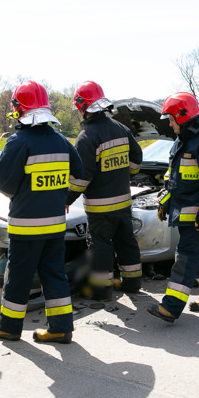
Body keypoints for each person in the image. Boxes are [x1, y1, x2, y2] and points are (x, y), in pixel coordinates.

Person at [0, 81, 83, 343]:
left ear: (19, 109)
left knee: (18, 276)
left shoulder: (18, 142)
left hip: (25, 226)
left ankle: (8, 326)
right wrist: (60, 196)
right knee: (54, 275)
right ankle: (61, 327)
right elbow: (80, 173)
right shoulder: (61, 141)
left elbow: (4, 183)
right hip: (55, 225)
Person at [147, 92, 199, 323]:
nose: (170, 125)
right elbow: (174, 178)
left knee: (185, 256)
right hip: (183, 211)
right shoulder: (182, 142)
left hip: (197, 214)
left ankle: (171, 307)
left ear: (183, 116)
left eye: (171, 119)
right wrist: (165, 201)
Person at [67, 81, 143, 301]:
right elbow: (136, 160)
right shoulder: (121, 129)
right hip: (123, 202)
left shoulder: (86, 137)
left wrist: (67, 199)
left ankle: (101, 290)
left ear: (83, 107)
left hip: (100, 207)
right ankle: (132, 283)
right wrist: (124, 176)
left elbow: (82, 177)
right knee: (126, 241)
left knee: (100, 245)